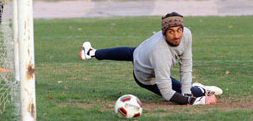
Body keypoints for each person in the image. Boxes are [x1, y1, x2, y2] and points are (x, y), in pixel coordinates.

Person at [79, 12, 222, 105]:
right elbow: (166, 93)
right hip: (146, 77)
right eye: (171, 32)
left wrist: (187, 92)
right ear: (164, 33)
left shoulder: (187, 34)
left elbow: (186, 64)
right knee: (187, 93)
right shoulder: (160, 52)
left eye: (179, 30)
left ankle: (91, 52)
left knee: (131, 53)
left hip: (141, 52)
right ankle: (201, 89)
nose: (177, 35)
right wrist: (196, 100)